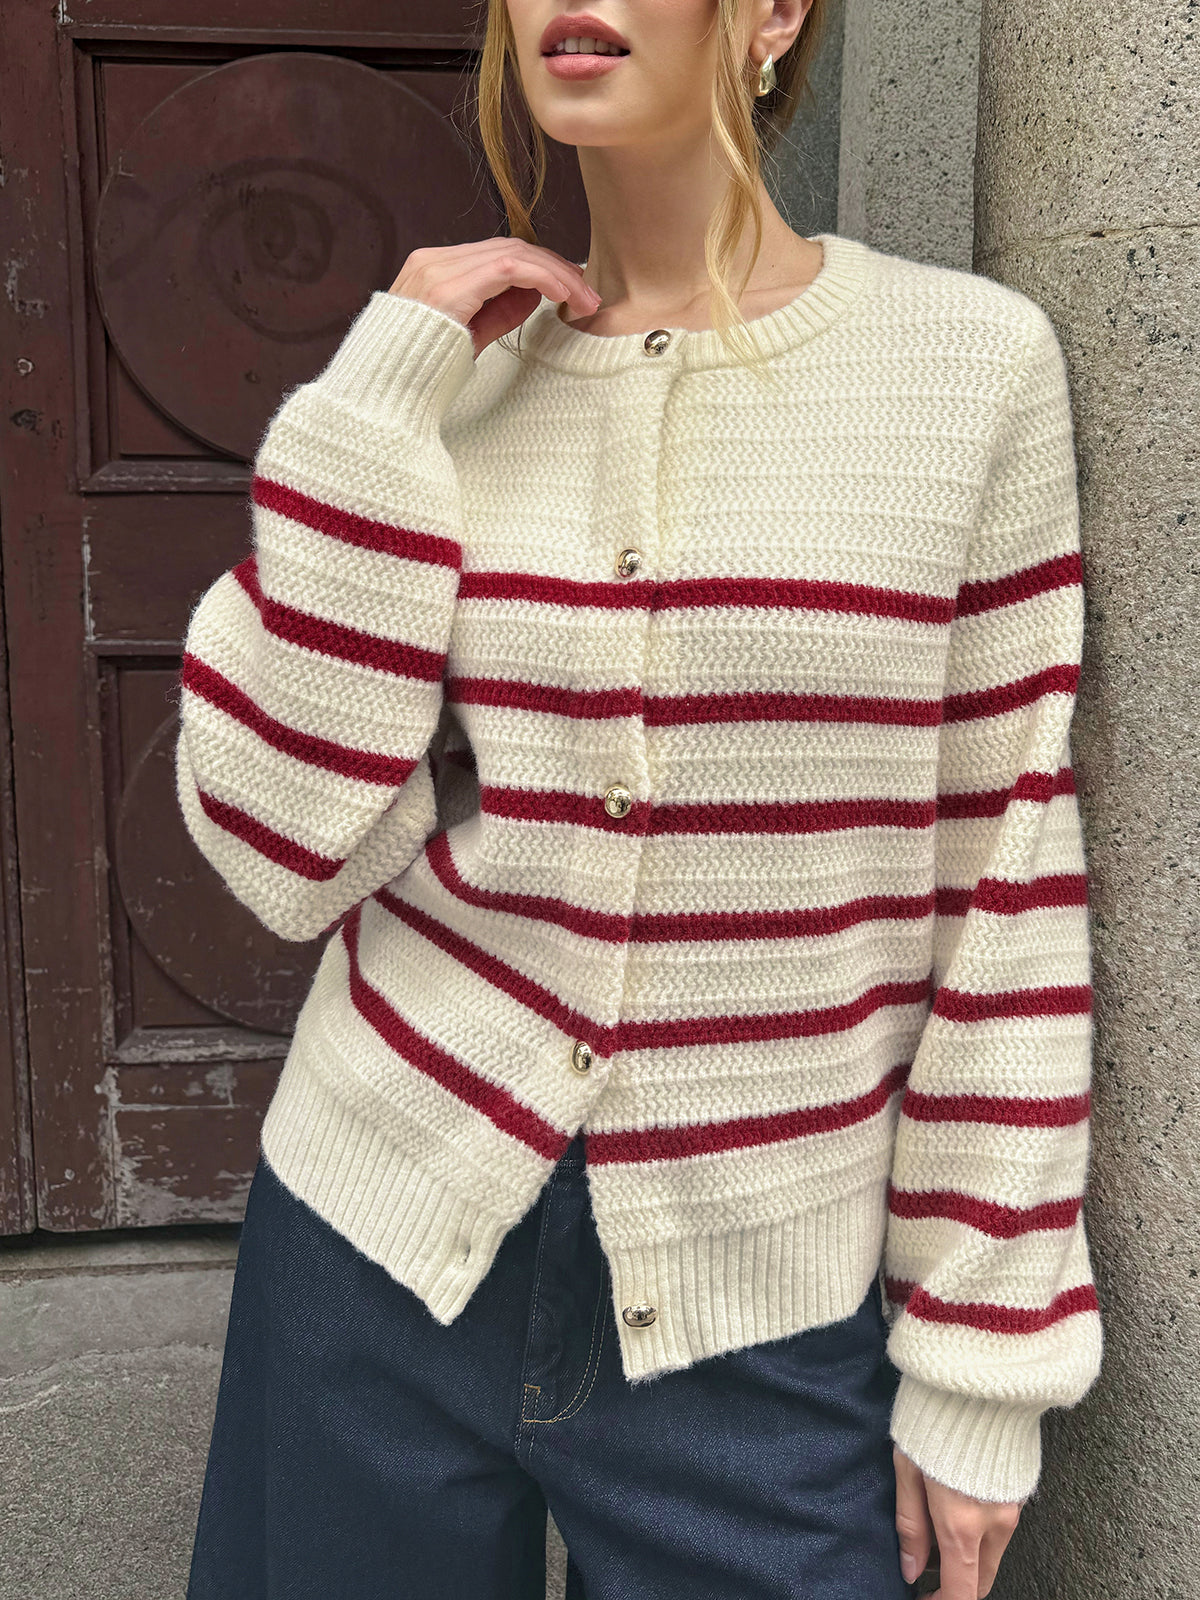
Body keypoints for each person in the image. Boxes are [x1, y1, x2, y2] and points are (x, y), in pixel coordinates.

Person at [179, 2, 1103, 1597]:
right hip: (376, 1236)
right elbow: (285, 849)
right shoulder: (449, 384)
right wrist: (367, 413)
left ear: (775, 12)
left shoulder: (969, 370)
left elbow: (1005, 873)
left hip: (763, 1311)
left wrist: (980, 1357)